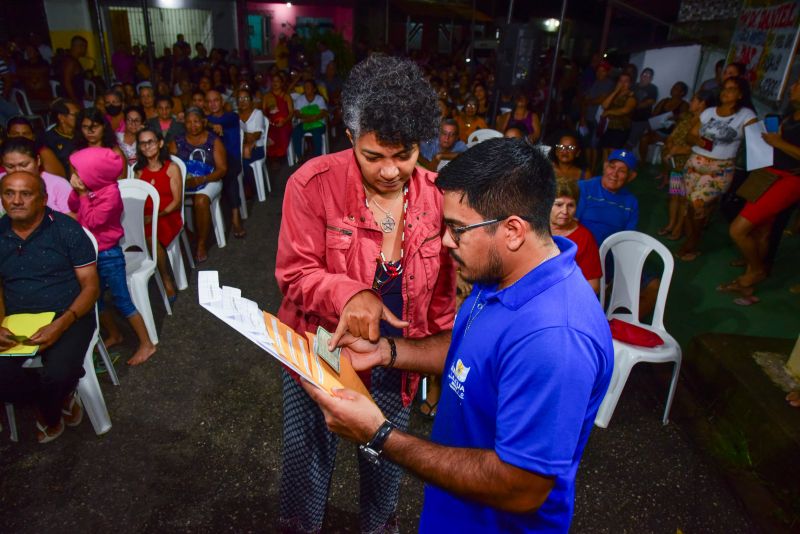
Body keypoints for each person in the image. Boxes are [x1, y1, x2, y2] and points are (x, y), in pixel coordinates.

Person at [303, 137, 613, 533]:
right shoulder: (504, 274)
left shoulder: (555, 340)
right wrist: (386, 351)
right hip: (455, 510)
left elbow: (521, 487)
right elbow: (471, 350)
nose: (446, 241)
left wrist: (379, 434)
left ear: (513, 230)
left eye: (457, 229)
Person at [274, 54, 456, 534]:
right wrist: (350, 293)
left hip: (397, 361)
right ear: (351, 136)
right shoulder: (312, 184)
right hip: (318, 353)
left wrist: (435, 362)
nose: (392, 171)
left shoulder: (440, 198)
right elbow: (294, 274)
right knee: (306, 463)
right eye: (374, 156)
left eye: (406, 154)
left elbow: (441, 296)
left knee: (386, 466)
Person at [0, 171, 99, 443]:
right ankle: (59, 397)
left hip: (69, 314)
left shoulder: (66, 230)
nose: (16, 201)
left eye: (26, 194)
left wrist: (61, 324)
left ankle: (50, 411)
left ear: (43, 199)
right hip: (17, 319)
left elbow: (91, 286)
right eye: (9, 193)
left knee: (57, 373)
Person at [68, 147, 157, 365]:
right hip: (90, 254)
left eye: (79, 173)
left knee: (122, 300)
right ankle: (115, 334)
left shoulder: (111, 194)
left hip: (109, 254)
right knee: (95, 300)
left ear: (94, 175)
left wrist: (81, 194)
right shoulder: (90, 189)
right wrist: (77, 193)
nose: (75, 176)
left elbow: (91, 221)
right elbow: (73, 207)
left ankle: (147, 344)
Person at [722, 78, 800, 303]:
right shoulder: (790, 116)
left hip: (789, 180)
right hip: (769, 173)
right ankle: (748, 283)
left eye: (797, 85)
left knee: (738, 230)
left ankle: (757, 270)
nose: (792, 88)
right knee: (761, 231)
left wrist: (778, 142)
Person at [677, 77, 757, 261]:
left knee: (697, 201)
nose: (725, 92)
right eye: (724, 88)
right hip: (694, 163)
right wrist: (698, 140)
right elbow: (690, 135)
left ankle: (693, 241)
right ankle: (692, 237)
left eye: (731, 89)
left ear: (740, 94)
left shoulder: (746, 115)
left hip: (719, 169)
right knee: (688, 204)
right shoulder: (709, 112)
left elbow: (757, 141)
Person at [169, 107, 227, 263]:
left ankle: (201, 243)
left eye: (196, 121)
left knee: (201, 200)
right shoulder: (177, 142)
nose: (192, 125)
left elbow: (222, 170)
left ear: (204, 122)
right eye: (188, 122)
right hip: (185, 182)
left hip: (210, 180)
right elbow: (169, 166)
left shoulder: (213, 140)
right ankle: (181, 237)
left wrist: (201, 180)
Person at [657, 90, 715, 241]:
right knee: (674, 195)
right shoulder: (687, 118)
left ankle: (678, 228)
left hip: (690, 166)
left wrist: (678, 150)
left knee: (684, 199)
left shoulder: (707, 123)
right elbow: (673, 135)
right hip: (676, 164)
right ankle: (671, 224)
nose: (691, 102)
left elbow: (704, 145)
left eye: (695, 100)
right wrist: (670, 147)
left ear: (703, 103)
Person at [134, 127, 183, 302]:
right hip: (146, 217)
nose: (147, 146)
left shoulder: (172, 168)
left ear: (160, 143)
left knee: (149, 235)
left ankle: (165, 279)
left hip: (167, 215)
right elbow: (136, 201)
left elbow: (177, 202)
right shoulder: (138, 172)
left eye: (151, 141)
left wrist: (157, 215)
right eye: (142, 143)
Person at [576, 149, 639, 247]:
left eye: (622, 171)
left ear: (631, 176)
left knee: (673, 197)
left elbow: (628, 237)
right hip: (581, 247)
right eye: (612, 167)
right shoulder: (584, 188)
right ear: (605, 167)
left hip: (612, 253)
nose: (614, 174)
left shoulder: (631, 202)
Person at [551, 176, 601, 293]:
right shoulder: (535, 228)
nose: (565, 211)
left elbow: (593, 286)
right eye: (559, 205)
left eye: (570, 205)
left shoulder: (585, 237)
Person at [1, 137, 73, 216]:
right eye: (10, 166)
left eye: (24, 165)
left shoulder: (58, 185)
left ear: (38, 160)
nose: (18, 171)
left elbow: (71, 223)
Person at [206, 90, 244, 238]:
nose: (213, 104)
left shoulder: (232, 117)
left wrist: (208, 123)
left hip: (232, 159)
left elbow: (221, 123)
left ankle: (235, 218)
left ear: (222, 102)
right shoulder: (205, 120)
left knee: (228, 173)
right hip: (212, 162)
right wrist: (207, 123)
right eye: (209, 101)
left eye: (216, 100)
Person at [579, 60, 614, 173]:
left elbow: (601, 99)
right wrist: (583, 117)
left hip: (598, 119)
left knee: (594, 145)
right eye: (598, 70)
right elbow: (584, 101)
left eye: (602, 71)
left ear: (607, 72)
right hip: (588, 117)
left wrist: (588, 101)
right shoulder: (594, 83)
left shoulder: (608, 84)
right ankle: (589, 167)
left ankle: (593, 169)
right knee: (588, 145)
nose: (600, 73)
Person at [74, 107, 127, 180]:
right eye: (85, 127)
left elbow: (123, 185)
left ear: (104, 126)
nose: (90, 131)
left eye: (95, 126)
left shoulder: (115, 154)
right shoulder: (76, 155)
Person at [238, 86, 266, 221]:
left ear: (251, 100)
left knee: (244, 161)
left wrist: (242, 135)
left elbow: (257, 135)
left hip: (258, 148)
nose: (243, 101)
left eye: (246, 98)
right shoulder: (235, 115)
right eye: (240, 99)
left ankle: (250, 188)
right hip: (242, 149)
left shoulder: (258, 113)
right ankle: (241, 190)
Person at [599, 72, 636, 161]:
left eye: (626, 81)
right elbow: (604, 105)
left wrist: (609, 112)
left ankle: (614, 172)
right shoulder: (614, 94)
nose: (622, 84)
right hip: (609, 127)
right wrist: (615, 91)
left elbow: (625, 110)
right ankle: (606, 172)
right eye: (620, 81)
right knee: (605, 150)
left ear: (630, 83)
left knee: (613, 153)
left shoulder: (631, 96)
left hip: (621, 128)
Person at [291, 79, 328, 160]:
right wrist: (308, 118)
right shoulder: (300, 99)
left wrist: (314, 118)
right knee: (296, 132)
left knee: (316, 134)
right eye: (305, 87)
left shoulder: (319, 99)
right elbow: (297, 113)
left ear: (314, 89)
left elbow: (323, 112)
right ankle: (300, 157)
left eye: (309, 87)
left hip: (318, 122)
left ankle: (318, 158)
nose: (307, 88)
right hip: (305, 122)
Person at [42, 99, 80, 176]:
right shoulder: (48, 139)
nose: (79, 117)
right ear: (61, 117)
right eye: (75, 115)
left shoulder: (83, 133)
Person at [627, 67, 658, 152]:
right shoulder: (633, 86)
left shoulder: (652, 88)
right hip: (627, 118)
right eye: (644, 74)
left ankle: (625, 162)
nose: (646, 77)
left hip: (641, 120)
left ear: (651, 78)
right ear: (640, 76)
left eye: (648, 76)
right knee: (623, 140)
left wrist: (632, 106)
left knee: (630, 143)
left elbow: (650, 102)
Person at [264, 72, 293, 161]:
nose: (275, 83)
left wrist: (284, 121)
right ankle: (272, 157)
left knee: (282, 131)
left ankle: (281, 156)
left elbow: (291, 113)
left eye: (277, 81)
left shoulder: (286, 96)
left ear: (281, 83)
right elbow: (264, 111)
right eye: (273, 81)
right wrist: (268, 120)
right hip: (271, 123)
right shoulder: (267, 96)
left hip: (285, 123)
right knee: (268, 133)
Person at [59, 36, 87, 106]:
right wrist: (74, 99)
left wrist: (84, 94)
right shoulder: (70, 62)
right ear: (79, 47)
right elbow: (66, 82)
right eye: (85, 47)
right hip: (71, 100)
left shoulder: (73, 60)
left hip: (76, 98)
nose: (85, 50)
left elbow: (77, 81)